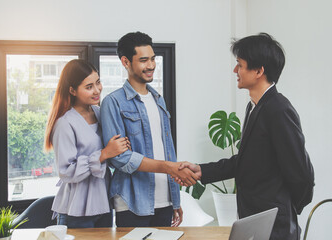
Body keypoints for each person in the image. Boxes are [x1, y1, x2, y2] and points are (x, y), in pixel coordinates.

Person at [178, 33, 315, 240]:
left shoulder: (278, 109)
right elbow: (246, 161)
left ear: (259, 71)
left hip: (275, 226)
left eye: (240, 65)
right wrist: (202, 171)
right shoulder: (254, 107)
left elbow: (302, 174)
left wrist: (285, 208)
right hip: (256, 221)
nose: (235, 70)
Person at [100, 31, 198, 227]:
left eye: (153, 59)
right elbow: (119, 158)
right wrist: (166, 167)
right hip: (132, 202)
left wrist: (174, 200)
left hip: (165, 200)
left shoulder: (158, 100)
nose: (151, 65)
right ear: (126, 62)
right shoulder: (113, 103)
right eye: (144, 60)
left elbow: (167, 150)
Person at [44, 59, 130, 228]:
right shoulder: (64, 123)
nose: (97, 90)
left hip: (104, 205)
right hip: (77, 210)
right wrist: (104, 154)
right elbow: (66, 172)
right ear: (72, 90)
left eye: (98, 82)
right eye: (89, 87)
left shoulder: (100, 113)